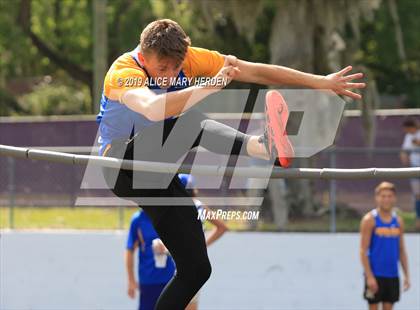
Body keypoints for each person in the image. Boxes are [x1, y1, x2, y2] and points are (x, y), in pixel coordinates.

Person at [98, 19, 365, 309]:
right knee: (189, 120)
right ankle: (261, 147)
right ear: (144, 53)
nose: (170, 75)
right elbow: (152, 109)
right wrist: (210, 86)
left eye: (176, 68)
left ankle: (264, 146)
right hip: (121, 165)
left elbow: (255, 71)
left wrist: (320, 82)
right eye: (162, 69)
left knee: (196, 269)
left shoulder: (191, 58)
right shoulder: (123, 71)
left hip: (156, 176)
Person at [125, 174, 228, 310]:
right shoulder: (198, 207)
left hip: (180, 269)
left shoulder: (177, 210)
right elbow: (222, 227)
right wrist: (201, 247)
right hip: (189, 268)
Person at [359, 182, 410, 310]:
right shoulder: (370, 219)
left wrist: (406, 275)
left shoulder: (398, 221)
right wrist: (369, 276)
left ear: (394, 198)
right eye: (383, 196)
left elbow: (401, 250)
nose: (386, 199)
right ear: (377, 197)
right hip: (375, 275)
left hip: (392, 275)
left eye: (389, 196)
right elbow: (363, 250)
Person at [400, 118, 420, 231]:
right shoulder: (408, 137)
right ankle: (418, 219)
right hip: (414, 167)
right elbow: (404, 150)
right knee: (417, 195)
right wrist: (404, 157)